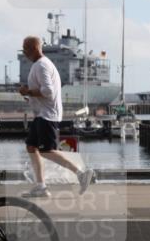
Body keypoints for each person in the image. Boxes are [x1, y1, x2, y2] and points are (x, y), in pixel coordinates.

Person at [19, 36, 94, 198]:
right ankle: (41, 186)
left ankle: (81, 173)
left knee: (47, 151)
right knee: (31, 147)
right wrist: (29, 95)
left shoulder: (42, 66)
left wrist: (28, 92)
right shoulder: (38, 65)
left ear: (33, 48)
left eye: (25, 48)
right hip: (41, 114)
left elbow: (48, 92)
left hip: (47, 115)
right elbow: (44, 93)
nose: (24, 52)